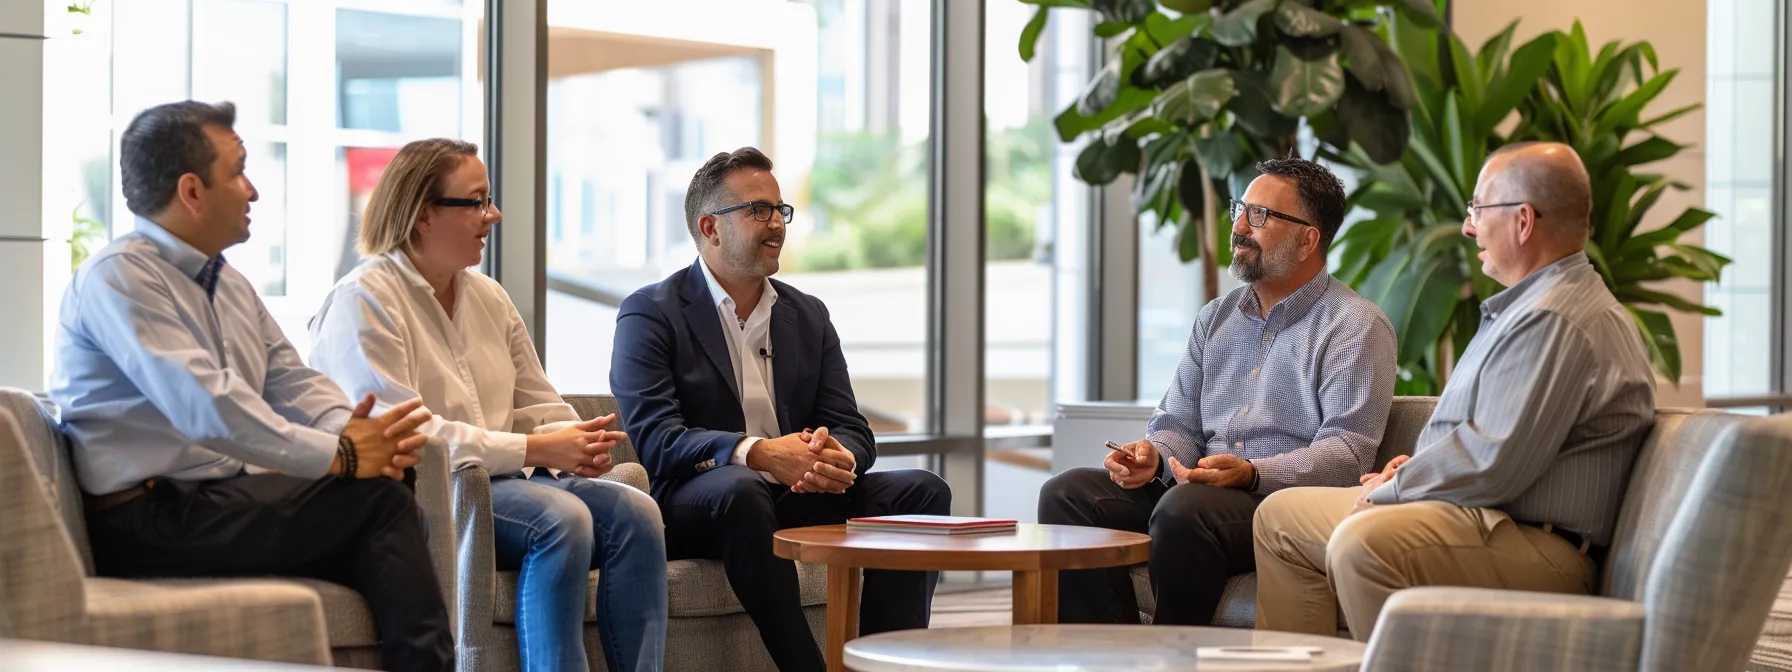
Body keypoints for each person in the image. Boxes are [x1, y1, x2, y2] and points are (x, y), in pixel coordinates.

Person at [49, 101, 453, 671]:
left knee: (389, 488)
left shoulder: (227, 282)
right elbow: (207, 403)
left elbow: (289, 377)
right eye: (238, 171)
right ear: (192, 191)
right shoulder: (119, 278)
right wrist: (339, 455)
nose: (254, 191)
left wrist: (350, 431)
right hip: (148, 517)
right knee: (381, 505)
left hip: (213, 501)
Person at [1253, 142, 1657, 641]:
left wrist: (1393, 490)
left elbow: (1493, 463)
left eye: (1478, 209)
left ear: (1523, 221)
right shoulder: (1529, 308)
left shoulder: (1557, 319)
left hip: (1536, 547)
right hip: (1479, 519)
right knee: (1279, 518)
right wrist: (1412, 469)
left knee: (1364, 543)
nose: (1468, 227)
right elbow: (1484, 437)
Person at [308, 138, 669, 672]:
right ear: (424, 213)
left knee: (637, 511)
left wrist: (577, 443)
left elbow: (538, 401)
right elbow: (411, 438)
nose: (492, 214)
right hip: (425, 492)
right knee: (561, 518)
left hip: (508, 484)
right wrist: (538, 446)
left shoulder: (488, 296)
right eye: (476, 201)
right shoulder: (364, 300)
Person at [610, 147, 951, 672]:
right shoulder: (650, 312)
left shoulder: (807, 314)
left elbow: (852, 426)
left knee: (924, 490)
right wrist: (761, 454)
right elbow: (659, 441)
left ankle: (882, 663)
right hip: (702, 498)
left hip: (797, 493)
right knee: (743, 488)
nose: (777, 224)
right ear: (710, 226)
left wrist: (834, 456)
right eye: (758, 211)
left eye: (779, 210)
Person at [1037, 157, 1397, 625]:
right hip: (1193, 492)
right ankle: (1113, 652)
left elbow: (1348, 454)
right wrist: (1155, 455)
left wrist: (1250, 473)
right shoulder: (1215, 319)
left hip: (1277, 504)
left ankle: (1175, 658)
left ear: (1309, 239)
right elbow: (1178, 423)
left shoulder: (1355, 325)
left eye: (1262, 216)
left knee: (1186, 510)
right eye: (1240, 210)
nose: (1241, 227)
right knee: (1066, 494)